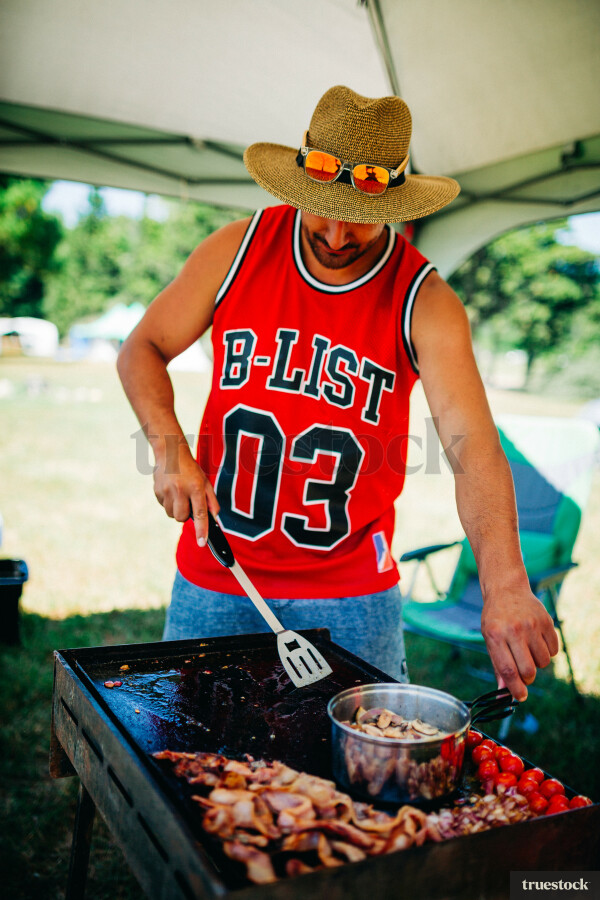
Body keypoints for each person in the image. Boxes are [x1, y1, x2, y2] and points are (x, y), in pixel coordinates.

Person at [117, 85, 558, 700]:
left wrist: (506, 582)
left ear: (396, 204)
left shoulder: (424, 301)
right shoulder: (237, 250)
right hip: (217, 571)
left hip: (353, 594)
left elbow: (473, 447)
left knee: (350, 782)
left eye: (363, 215)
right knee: (186, 762)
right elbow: (142, 348)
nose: (337, 231)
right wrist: (170, 451)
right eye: (321, 206)